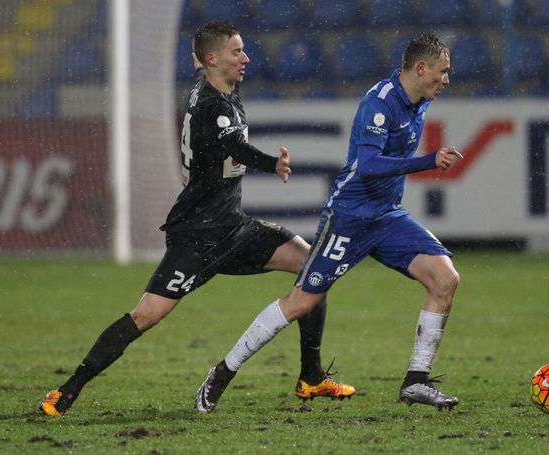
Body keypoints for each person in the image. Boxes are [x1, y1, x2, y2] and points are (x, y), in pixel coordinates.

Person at [39, 21, 354, 417]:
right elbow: (234, 145)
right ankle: (66, 390)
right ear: (211, 59)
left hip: (233, 226)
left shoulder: (218, 89)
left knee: (314, 271)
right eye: (236, 51)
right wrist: (272, 163)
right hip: (197, 237)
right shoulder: (211, 106)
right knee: (145, 316)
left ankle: (311, 377)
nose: (246, 57)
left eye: (242, 50)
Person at [194, 32, 464, 413]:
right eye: (442, 72)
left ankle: (416, 381)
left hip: (386, 216)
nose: (446, 80)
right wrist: (427, 161)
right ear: (421, 69)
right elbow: (368, 166)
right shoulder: (380, 105)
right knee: (302, 302)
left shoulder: (417, 100)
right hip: (349, 218)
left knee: (445, 278)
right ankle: (222, 372)